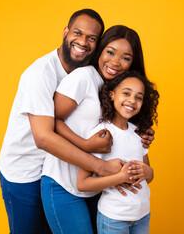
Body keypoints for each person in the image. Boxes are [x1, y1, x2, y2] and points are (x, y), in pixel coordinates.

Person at [0, 9, 129, 234]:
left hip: (58, 170)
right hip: (25, 171)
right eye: (77, 33)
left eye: (92, 38)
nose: (83, 41)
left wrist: (138, 133)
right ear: (65, 32)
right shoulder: (40, 74)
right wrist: (98, 163)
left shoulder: (89, 73)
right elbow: (44, 138)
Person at [41, 25, 154, 234]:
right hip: (63, 182)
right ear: (100, 50)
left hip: (96, 190)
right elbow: (51, 121)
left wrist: (143, 135)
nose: (115, 62)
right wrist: (85, 144)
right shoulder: (84, 76)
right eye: (110, 52)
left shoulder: (118, 91)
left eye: (125, 58)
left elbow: (126, 132)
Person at [77, 71, 159, 234]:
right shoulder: (101, 134)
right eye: (126, 93)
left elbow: (147, 177)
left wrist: (149, 172)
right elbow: (82, 184)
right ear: (112, 95)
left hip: (142, 215)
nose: (132, 100)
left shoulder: (138, 134)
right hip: (114, 218)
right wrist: (119, 178)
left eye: (138, 97)